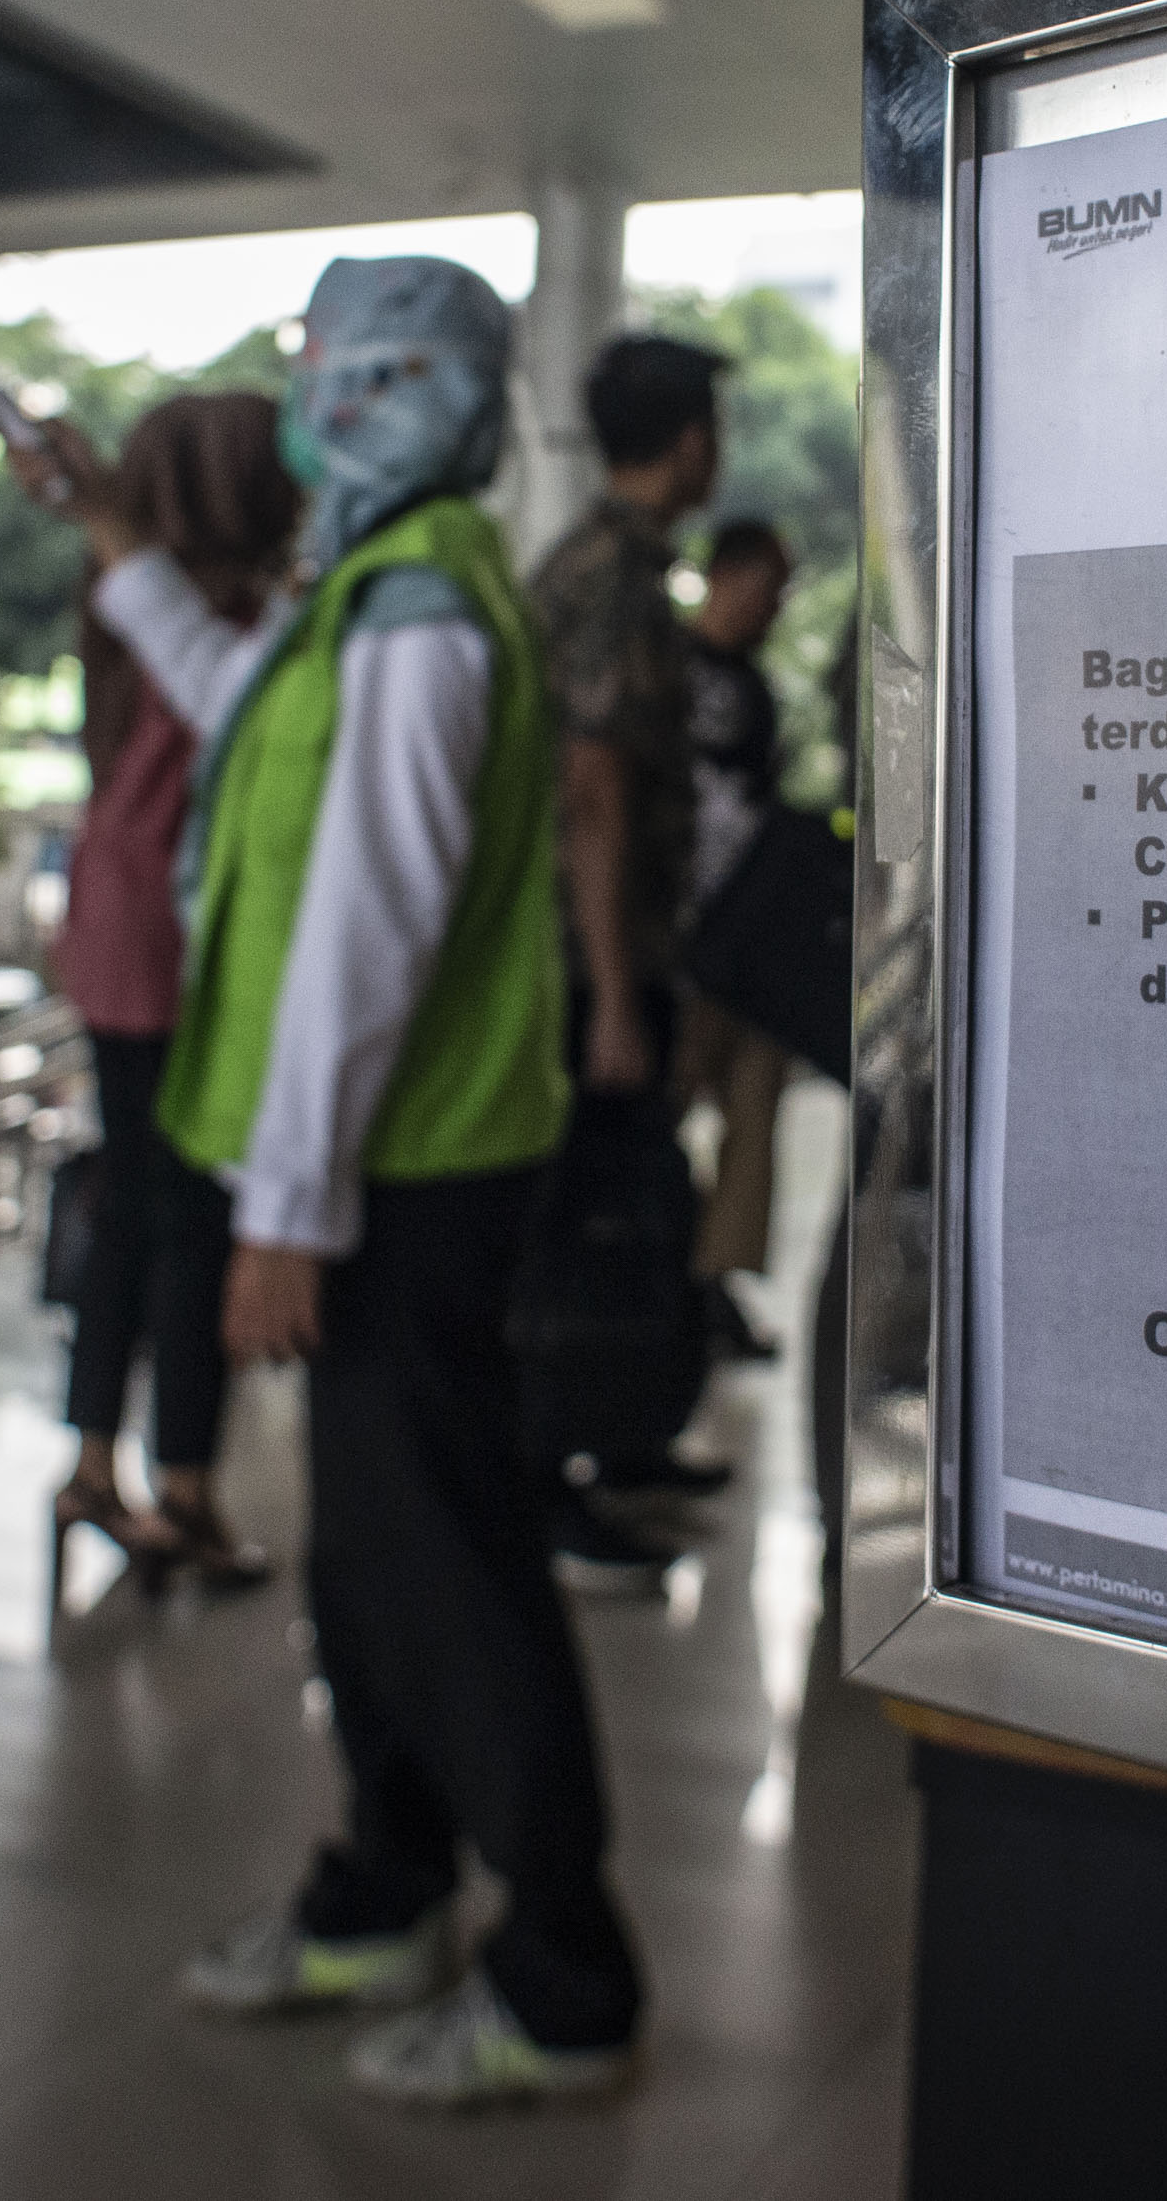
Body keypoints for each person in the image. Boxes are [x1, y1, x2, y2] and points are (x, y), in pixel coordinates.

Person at [26, 256, 644, 2109]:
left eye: (357, 370)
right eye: (318, 365)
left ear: (431, 398)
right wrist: (120, 539)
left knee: (444, 1563)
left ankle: (567, 1973)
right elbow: (236, 710)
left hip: (404, 1168)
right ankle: (380, 1883)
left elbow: (365, 929)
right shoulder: (363, 595)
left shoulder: (423, 612)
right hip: (372, 1158)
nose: (323, 399)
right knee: (374, 1559)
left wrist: (291, 1206)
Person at [49, 390, 296, 1593]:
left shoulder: (117, 598)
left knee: (126, 1209)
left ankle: (93, 1463)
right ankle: (185, 1487)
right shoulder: (235, 615)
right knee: (193, 1220)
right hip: (185, 938)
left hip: (106, 924)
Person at [525, 333, 735, 1585]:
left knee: (621, 1214)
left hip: (605, 952)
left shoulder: (611, 564)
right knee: (585, 1227)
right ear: (692, 440)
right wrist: (612, 993)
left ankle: (608, 1446)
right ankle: (551, 1478)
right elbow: (592, 791)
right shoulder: (610, 576)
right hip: (584, 961)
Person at [674, 517, 795, 1358]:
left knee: (756, 1104)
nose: (776, 606)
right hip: (677, 938)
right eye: (768, 585)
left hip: (747, 939)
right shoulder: (669, 669)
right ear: (727, 575)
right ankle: (668, 1272)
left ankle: (714, 1280)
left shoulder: (753, 686)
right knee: (659, 1113)